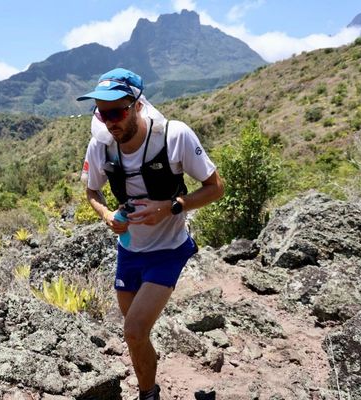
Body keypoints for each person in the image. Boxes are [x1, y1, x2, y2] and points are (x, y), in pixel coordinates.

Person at [77, 68, 224, 400]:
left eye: (117, 111)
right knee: (137, 335)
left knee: (132, 330)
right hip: (129, 250)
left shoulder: (175, 137)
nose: (110, 120)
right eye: (102, 112)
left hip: (169, 249)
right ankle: (150, 389)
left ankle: (147, 397)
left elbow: (216, 187)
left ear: (138, 105)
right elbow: (92, 192)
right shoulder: (101, 146)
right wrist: (107, 215)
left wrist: (171, 206)